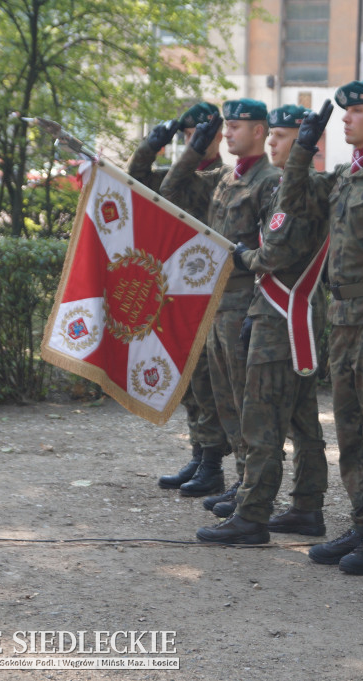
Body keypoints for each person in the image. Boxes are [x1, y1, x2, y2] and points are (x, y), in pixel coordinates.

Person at [281, 81, 363, 575]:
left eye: (356, 112)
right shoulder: (345, 177)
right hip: (342, 321)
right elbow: (293, 201)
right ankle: (361, 523)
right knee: (351, 431)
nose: (345, 119)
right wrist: (302, 147)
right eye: (343, 113)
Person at [193, 104, 330, 544]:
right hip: (291, 310)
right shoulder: (295, 186)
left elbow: (272, 253)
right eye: (272, 136)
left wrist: (243, 257)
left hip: (283, 312)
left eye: (283, 137)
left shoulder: (291, 189)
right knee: (301, 419)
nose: (273, 143)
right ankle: (306, 506)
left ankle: (253, 514)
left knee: (264, 418)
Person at [161, 99, 282, 499]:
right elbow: (170, 189)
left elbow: (273, 252)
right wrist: (192, 148)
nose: (227, 133)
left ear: (260, 131)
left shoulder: (267, 181)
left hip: (242, 303)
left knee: (245, 401)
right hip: (215, 301)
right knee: (224, 398)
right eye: (224, 127)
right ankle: (238, 481)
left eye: (236, 127)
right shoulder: (228, 181)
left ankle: (248, 486)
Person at [125, 102, 230, 495]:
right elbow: (135, 179)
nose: (192, 141)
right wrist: (151, 146)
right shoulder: (182, 170)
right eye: (185, 135)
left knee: (205, 380)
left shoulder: (223, 176)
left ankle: (213, 464)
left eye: (198, 134)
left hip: (209, 289)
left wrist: (187, 156)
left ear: (218, 135)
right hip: (177, 288)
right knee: (186, 377)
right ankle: (200, 454)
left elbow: (173, 188)